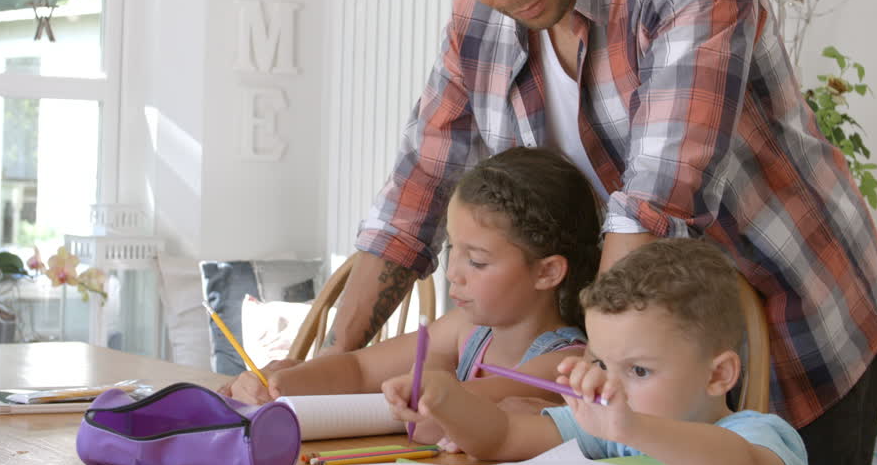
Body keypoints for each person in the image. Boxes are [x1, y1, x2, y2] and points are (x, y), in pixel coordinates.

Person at [316, 0, 877, 465]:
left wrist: (582, 373)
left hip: (792, 316)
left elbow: (653, 203)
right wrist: (336, 361)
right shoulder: (475, 21)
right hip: (632, 362)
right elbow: (416, 188)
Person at [229, 147, 601, 445]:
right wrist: (278, 385)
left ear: (548, 272)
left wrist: (433, 384)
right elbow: (358, 369)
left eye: (476, 261)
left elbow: (438, 416)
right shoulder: (465, 328)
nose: (453, 272)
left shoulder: (565, 364)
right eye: (452, 249)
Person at [383, 238, 808, 465]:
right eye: (602, 362)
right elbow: (503, 436)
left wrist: (629, 428)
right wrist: (444, 398)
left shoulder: (758, 435)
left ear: (718, 375)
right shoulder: (610, 428)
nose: (610, 384)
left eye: (639, 371)